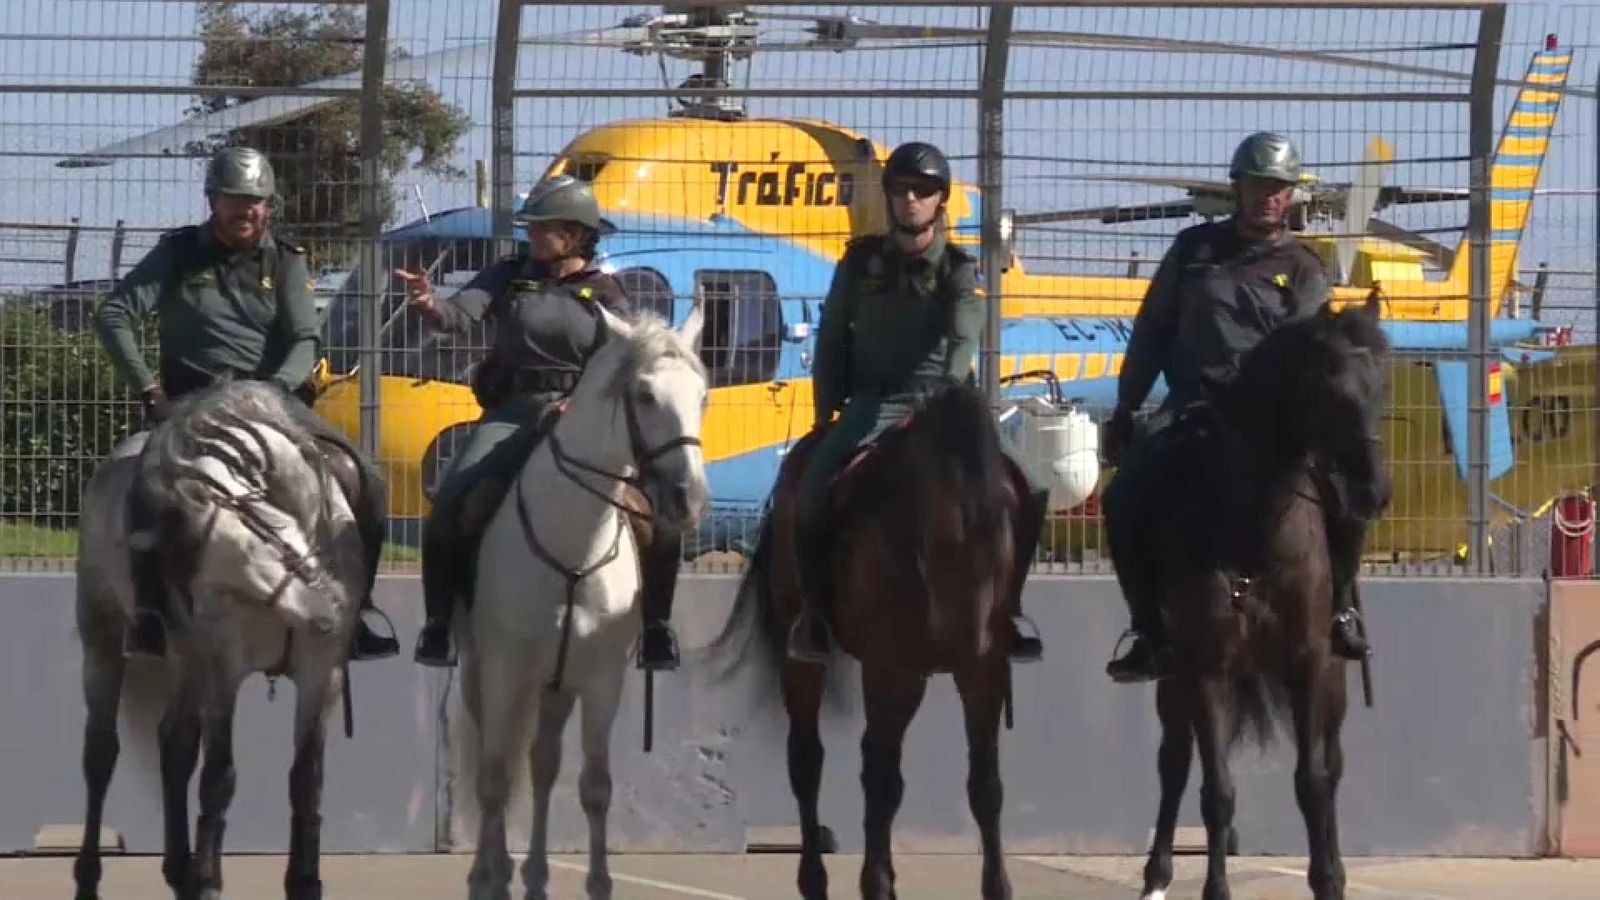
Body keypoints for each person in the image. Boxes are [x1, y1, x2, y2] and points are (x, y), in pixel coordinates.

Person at [96, 145, 400, 662]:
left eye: (258, 201)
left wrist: (279, 386)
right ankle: (149, 615)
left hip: (271, 399)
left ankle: (358, 611)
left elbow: (308, 338)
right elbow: (114, 314)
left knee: (361, 475)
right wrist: (150, 391)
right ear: (212, 200)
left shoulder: (286, 260)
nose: (248, 211)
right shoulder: (175, 254)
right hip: (192, 401)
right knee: (148, 479)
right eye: (236, 199)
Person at [1100, 131, 1374, 684]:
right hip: (1192, 407)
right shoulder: (1192, 251)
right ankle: (1148, 631)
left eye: (1277, 187)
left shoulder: (1304, 268)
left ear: (1290, 195)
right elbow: (1151, 330)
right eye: (1257, 185)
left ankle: (1340, 608)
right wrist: (1127, 406)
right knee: (1123, 498)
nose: (1267, 197)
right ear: (1238, 189)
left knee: (1347, 498)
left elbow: (1308, 350)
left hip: (1272, 421)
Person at [401, 174, 685, 672]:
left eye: (541, 228)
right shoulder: (508, 274)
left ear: (574, 236)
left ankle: (657, 628)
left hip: (585, 416)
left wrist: (580, 402)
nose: (530, 235)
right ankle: (439, 624)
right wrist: (428, 304)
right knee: (451, 496)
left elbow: (623, 359)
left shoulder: (606, 291)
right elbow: (458, 316)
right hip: (514, 411)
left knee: (659, 514)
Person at [785, 140, 1049, 665]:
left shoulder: (957, 269)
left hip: (944, 407)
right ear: (887, 198)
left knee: (1032, 487)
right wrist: (825, 414)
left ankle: (1011, 609)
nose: (910, 199)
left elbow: (963, 337)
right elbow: (833, 334)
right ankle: (813, 615)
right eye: (901, 189)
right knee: (811, 487)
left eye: (923, 191)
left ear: (940, 202)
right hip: (873, 403)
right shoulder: (859, 262)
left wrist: (942, 401)